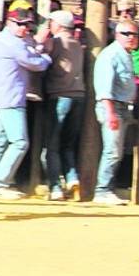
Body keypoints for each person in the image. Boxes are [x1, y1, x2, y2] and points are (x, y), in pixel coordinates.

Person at [0, 2, 52, 199]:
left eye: (26, 24)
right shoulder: (13, 43)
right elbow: (34, 63)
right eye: (19, 24)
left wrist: (35, 45)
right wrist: (46, 56)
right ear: (9, 22)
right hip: (10, 99)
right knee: (19, 142)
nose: (24, 28)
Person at [92, 19, 139, 205]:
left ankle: (107, 189)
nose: (131, 38)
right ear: (117, 35)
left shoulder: (125, 54)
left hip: (122, 107)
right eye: (126, 34)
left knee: (118, 151)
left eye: (134, 34)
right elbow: (104, 88)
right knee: (112, 151)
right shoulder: (111, 55)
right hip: (113, 107)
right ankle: (102, 190)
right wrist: (110, 113)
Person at [42, 10, 85, 201]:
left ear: (58, 25)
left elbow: (41, 53)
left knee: (51, 146)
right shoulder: (78, 45)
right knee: (68, 144)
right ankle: (72, 178)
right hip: (78, 96)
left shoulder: (56, 42)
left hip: (59, 96)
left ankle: (56, 188)